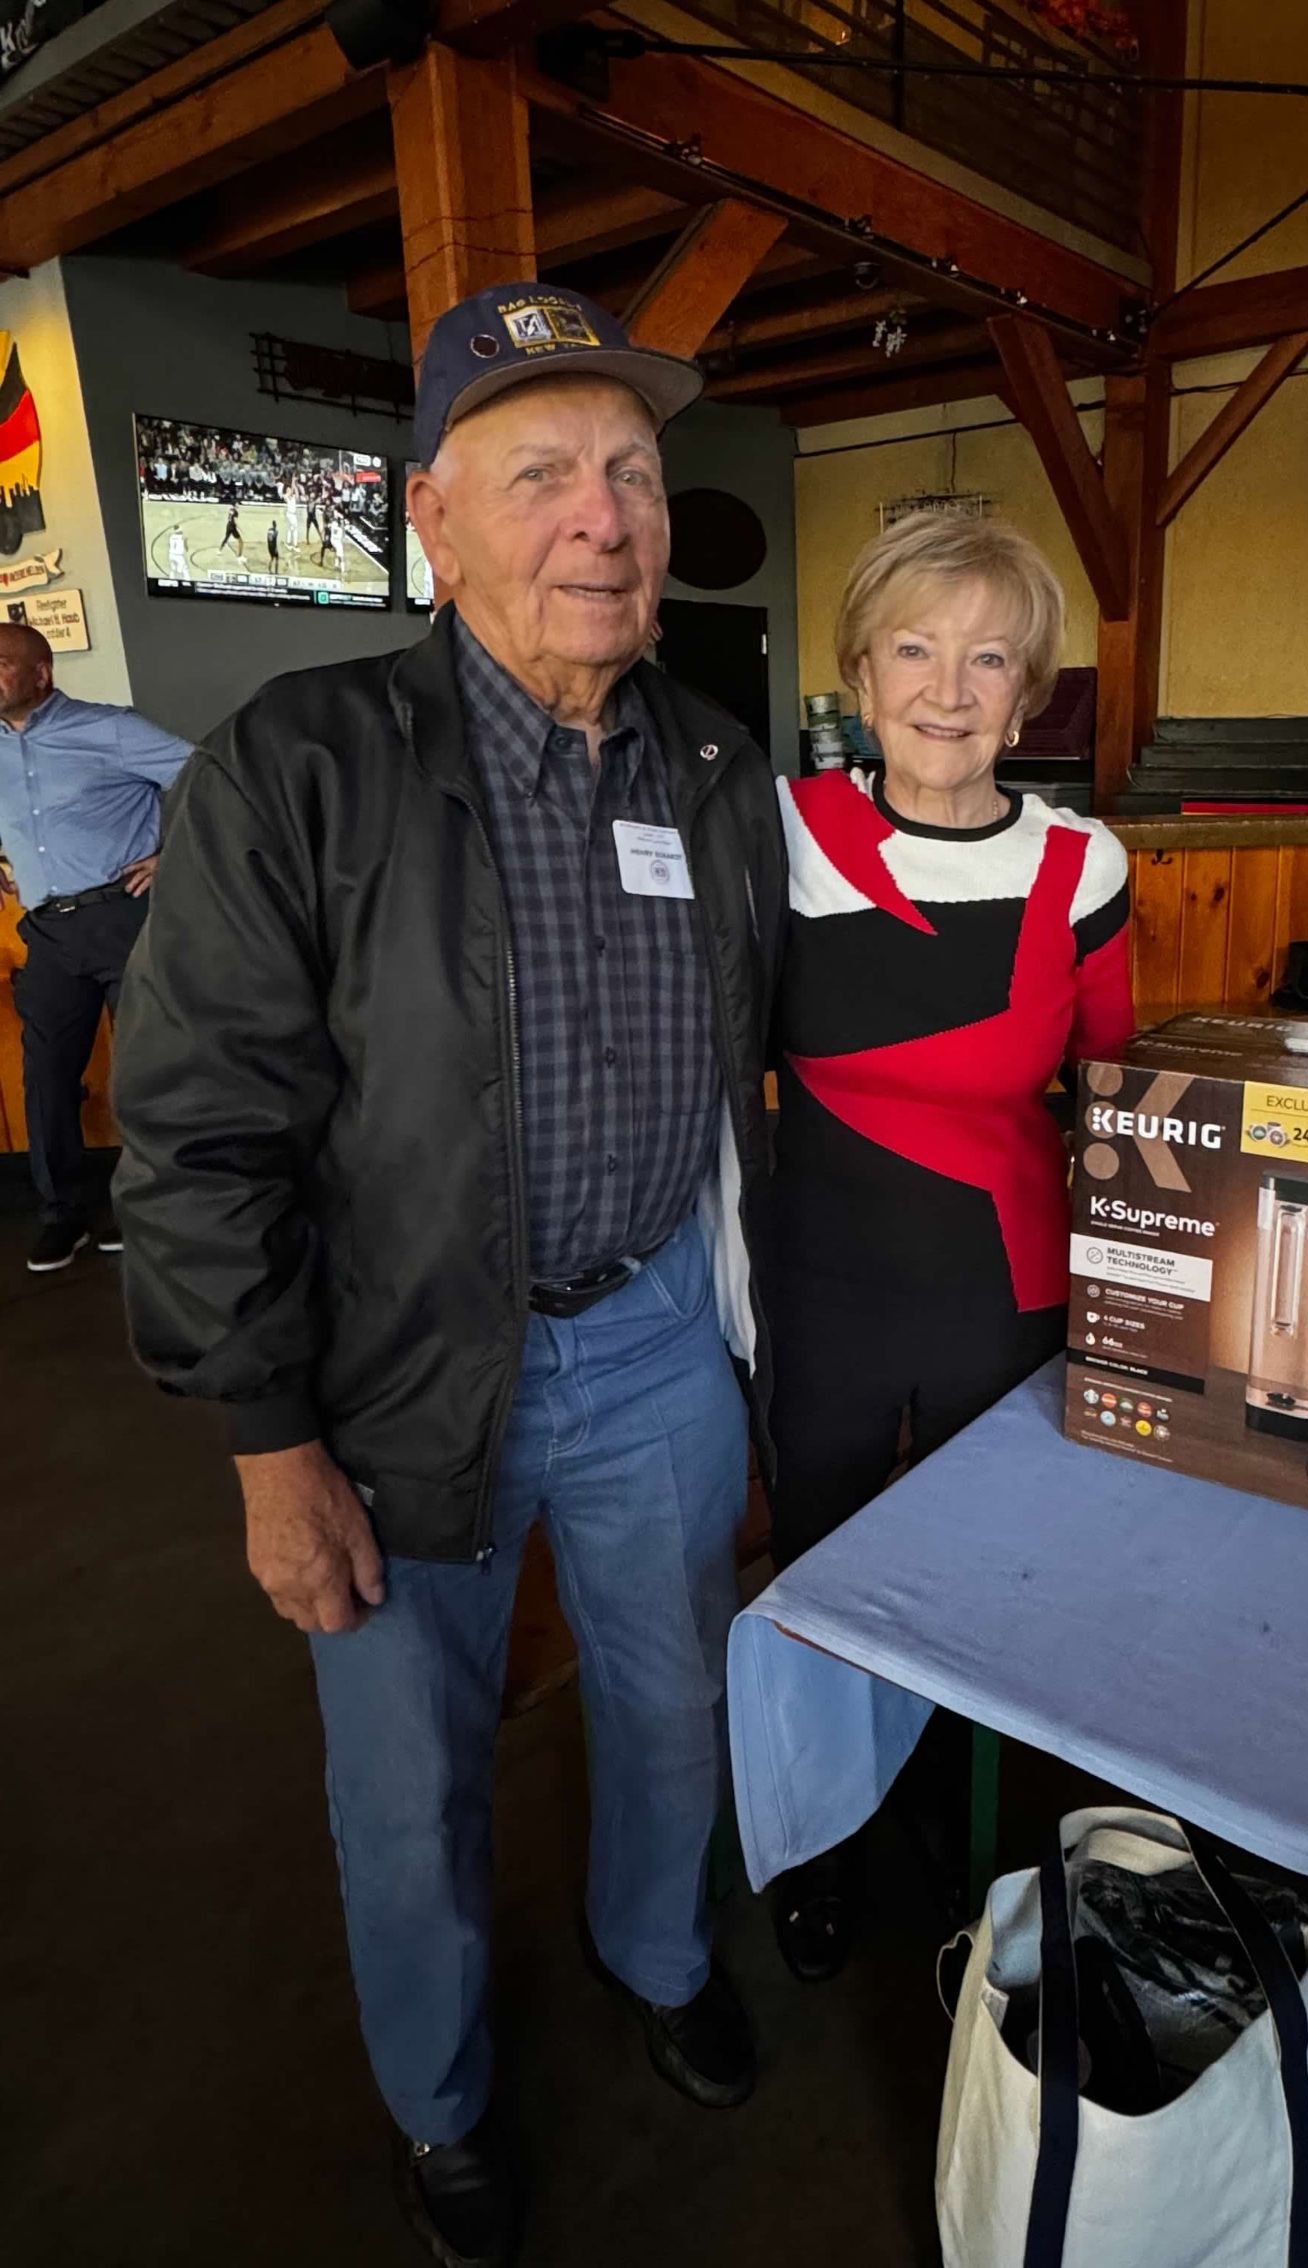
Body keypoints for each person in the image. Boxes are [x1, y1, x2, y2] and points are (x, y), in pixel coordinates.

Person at [112, 283, 788, 2268]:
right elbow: (201, 1133)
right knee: (407, 1782)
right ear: (434, 517)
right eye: (543, 475)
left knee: (675, 1711)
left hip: (657, 1336)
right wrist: (267, 1441)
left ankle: (659, 1958)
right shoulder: (301, 764)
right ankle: (440, 2100)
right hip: (397, 1363)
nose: (604, 518)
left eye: (635, 477)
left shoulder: (717, 772)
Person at [761, 513, 1133, 1982]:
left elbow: (1111, 1090)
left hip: (1010, 1278)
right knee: (822, 1569)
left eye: (988, 657)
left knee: (997, 1574)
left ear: (1030, 692)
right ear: (859, 668)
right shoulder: (785, 831)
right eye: (913, 647)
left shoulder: (1084, 861)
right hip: (821, 1273)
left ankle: (976, 1835)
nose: (947, 687)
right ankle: (820, 1839)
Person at [0, 623, 193, 1272]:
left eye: (0, 663)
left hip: (124, 922)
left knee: (148, 1073)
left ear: (41, 674)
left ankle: (155, 1214)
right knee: (47, 1079)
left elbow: (211, 776)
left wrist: (173, 855)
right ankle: (63, 1217)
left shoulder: (108, 729)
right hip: (48, 933)